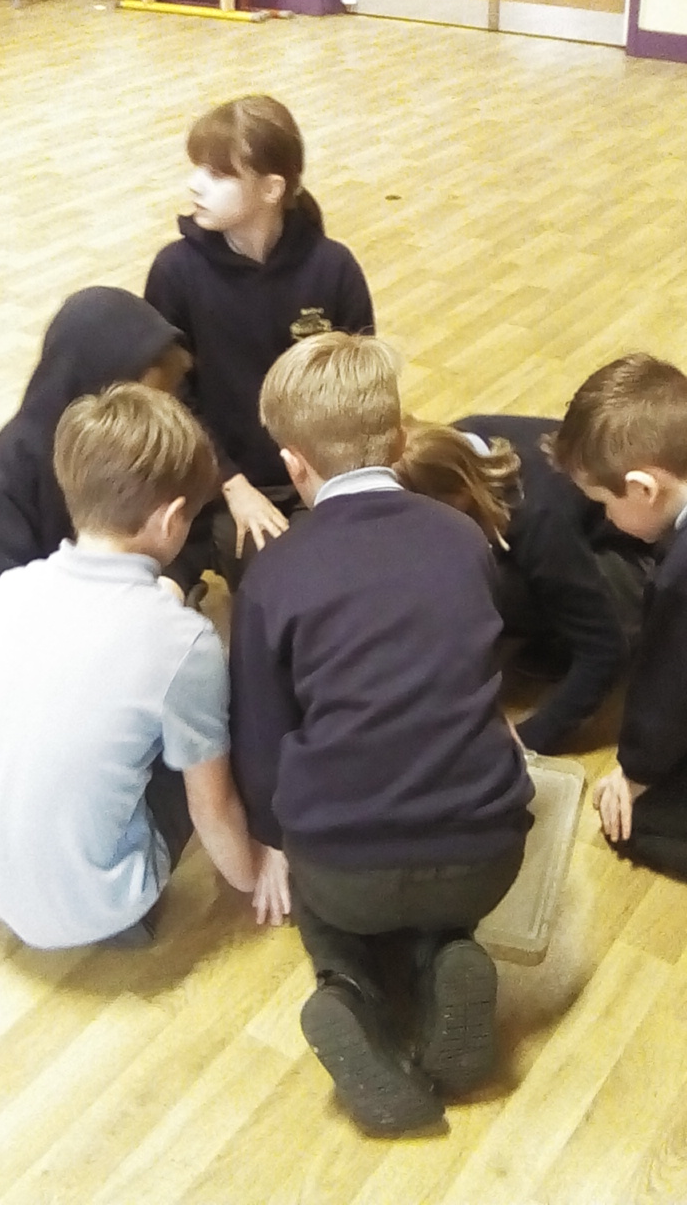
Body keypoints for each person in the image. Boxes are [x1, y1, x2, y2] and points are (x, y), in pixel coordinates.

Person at [229, 332, 534, 1135]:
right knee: (434, 870)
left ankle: (349, 988)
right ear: (399, 441)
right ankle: (446, 952)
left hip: (348, 871)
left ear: (293, 465)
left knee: (330, 894)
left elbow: (261, 741)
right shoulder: (462, 538)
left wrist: (272, 843)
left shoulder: (274, 574)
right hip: (485, 854)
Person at [0, 383, 289, 949]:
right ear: (171, 520)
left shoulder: (11, 589)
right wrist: (255, 869)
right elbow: (210, 807)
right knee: (211, 724)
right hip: (102, 909)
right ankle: (132, 902)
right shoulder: (182, 643)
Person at [144, 94, 374, 590]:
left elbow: (360, 390)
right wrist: (233, 485)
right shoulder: (175, 273)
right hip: (222, 481)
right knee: (279, 578)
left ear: (272, 189)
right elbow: (172, 402)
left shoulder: (334, 268)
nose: (194, 184)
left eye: (218, 174)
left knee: (356, 570)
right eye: (197, 168)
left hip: (320, 476)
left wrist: (333, 485)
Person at [395, 414, 654, 755]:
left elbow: (605, 650)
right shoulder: (456, 443)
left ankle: (567, 635)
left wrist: (530, 739)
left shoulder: (539, 517)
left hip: (641, 556)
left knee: (494, 585)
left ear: (458, 496)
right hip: (573, 530)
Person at [551, 352, 687, 879]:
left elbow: (670, 691)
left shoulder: (680, 579)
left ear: (643, 489)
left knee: (633, 824)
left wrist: (634, 772)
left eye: (605, 502)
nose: (605, 517)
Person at [0, 286, 193, 588]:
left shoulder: (154, 440)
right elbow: (7, 578)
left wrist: (173, 581)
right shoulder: (14, 464)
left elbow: (192, 523)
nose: (149, 419)